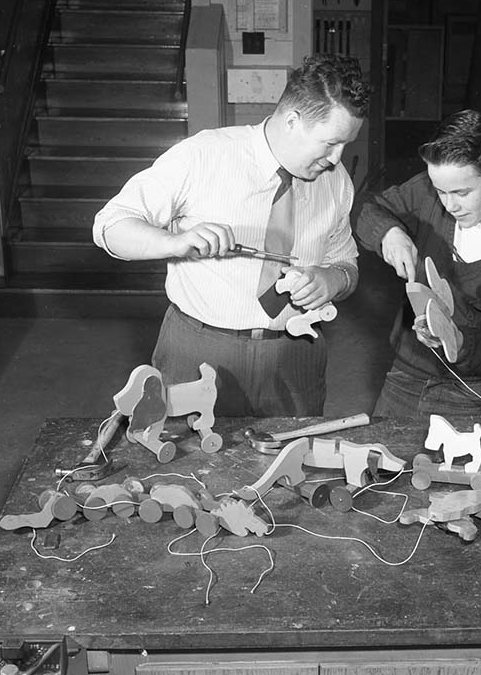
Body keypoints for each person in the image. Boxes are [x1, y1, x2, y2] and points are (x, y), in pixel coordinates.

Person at [93, 54, 371, 416]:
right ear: (292, 121)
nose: (336, 158)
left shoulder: (336, 182)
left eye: (345, 145)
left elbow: (347, 264)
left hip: (295, 356)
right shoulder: (204, 156)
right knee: (186, 451)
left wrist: (331, 279)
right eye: (331, 143)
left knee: (293, 451)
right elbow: (110, 225)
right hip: (200, 350)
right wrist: (173, 243)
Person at [354, 109, 481, 417]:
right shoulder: (432, 190)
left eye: (462, 193)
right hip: (406, 371)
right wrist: (389, 233)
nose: (449, 204)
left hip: (467, 391)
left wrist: (459, 342)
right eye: (441, 191)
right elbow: (364, 206)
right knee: (380, 449)